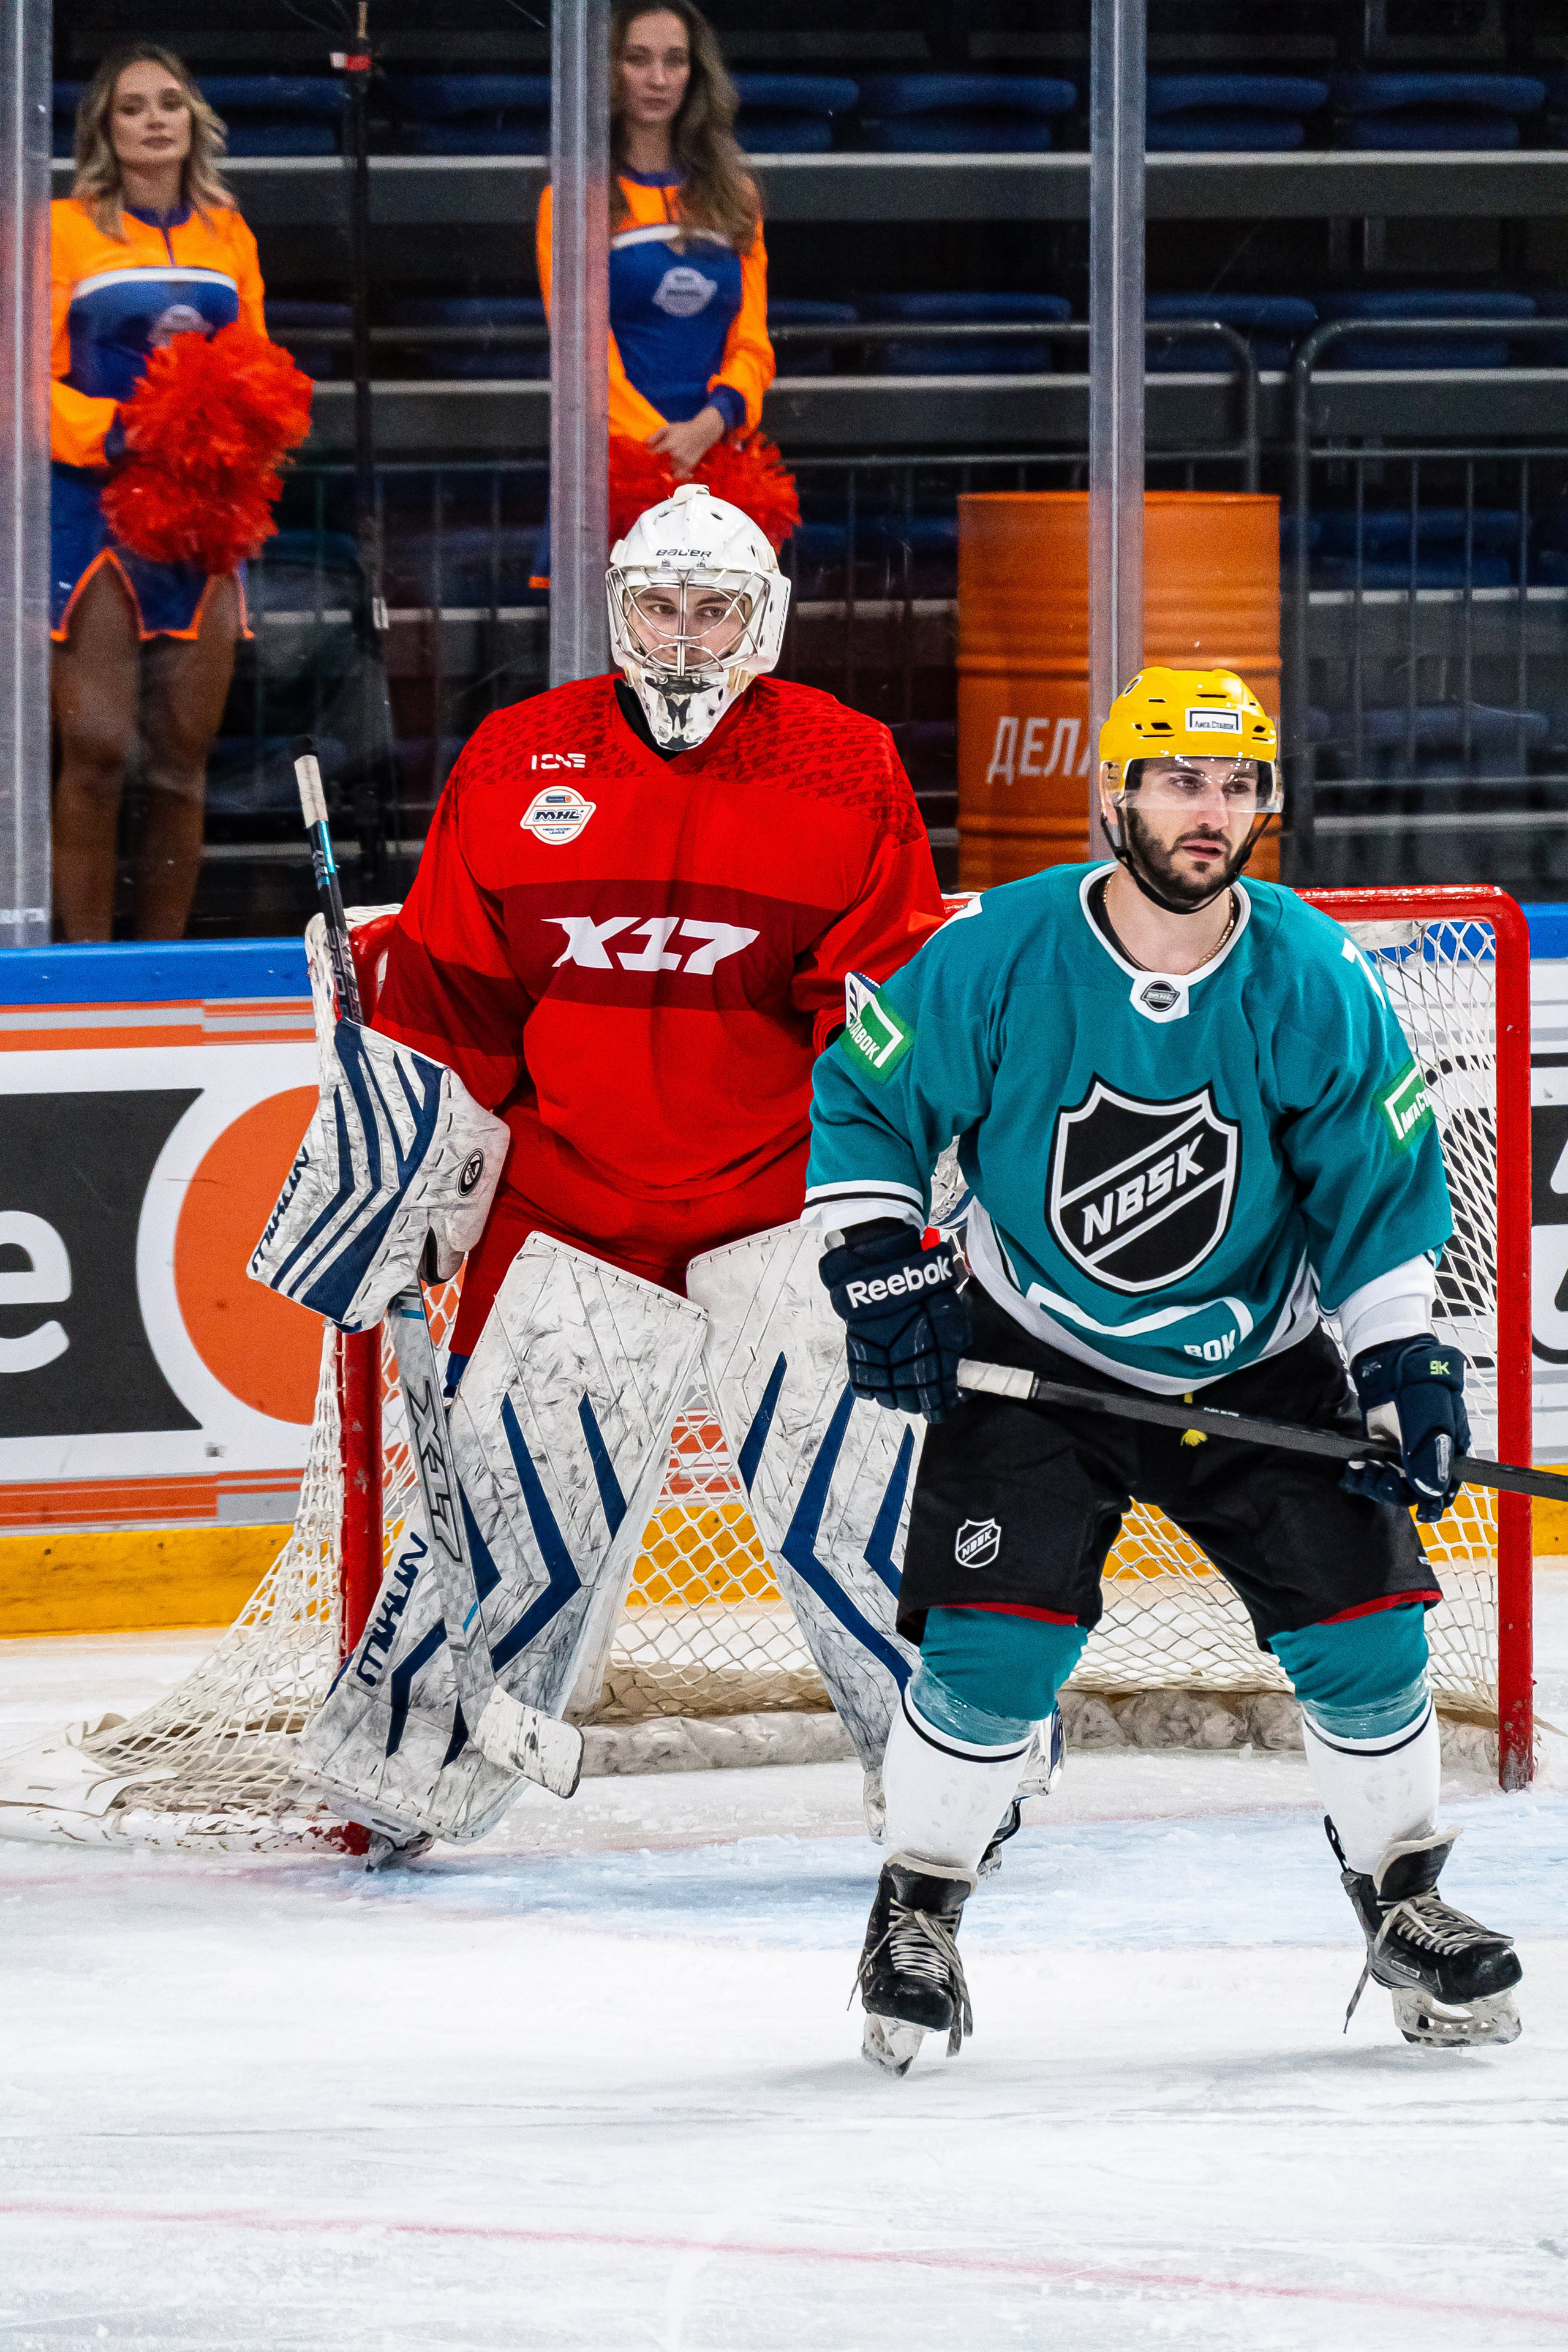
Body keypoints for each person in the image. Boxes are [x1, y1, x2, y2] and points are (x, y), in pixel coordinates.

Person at [805, 665, 1523, 2073]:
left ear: (1266, 805)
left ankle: (1402, 1903)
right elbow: (868, 1100)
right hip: (1035, 1353)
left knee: (1369, 1631)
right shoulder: (997, 949)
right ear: (1115, 792)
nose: (1208, 810)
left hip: (1257, 1362)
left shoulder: (1310, 975)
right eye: (1178, 779)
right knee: (988, 1653)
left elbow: (1376, 1192)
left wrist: (1403, 1371)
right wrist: (882, 1262)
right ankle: (916, 1909)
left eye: (1235, 783)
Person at [251, 483, 949, 1851]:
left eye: (714, 610)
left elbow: (875, 1018)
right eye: (656, 605)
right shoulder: (518, 758)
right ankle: (401, 1784)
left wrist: (894, 1212)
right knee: (515, 1519)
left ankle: (952, 1775)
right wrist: (410, 1178)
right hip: (569, 1207)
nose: (683, 639)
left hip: (780, 1206)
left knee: (862, 1516)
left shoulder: (843, 762)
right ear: (616, 605)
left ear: (765, 622)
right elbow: (451, 996)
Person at [50, 45, 266, 942]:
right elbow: (23, 376)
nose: (153, 120)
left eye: (169, 103)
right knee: (98, 753)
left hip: (205, 518)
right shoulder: (58, 229)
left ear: (192, 121)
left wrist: (243, 434)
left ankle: (166, 967)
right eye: (132, 107)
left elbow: (261, 371)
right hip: (94, 506)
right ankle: (87, 975)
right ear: (103, 129)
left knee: (182, 762)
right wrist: (118, 430)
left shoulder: (229, 231)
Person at [535, 0, 774, 488]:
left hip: (720, 456)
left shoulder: (738, 197)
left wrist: (707, 428)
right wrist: (664, 450)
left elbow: (754, 345)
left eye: (675, 60)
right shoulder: (572, 200)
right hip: (618, 468)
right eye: (638, 59)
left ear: (696, 72)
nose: (659, 79)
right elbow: (583, 356)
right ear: (609, 69)